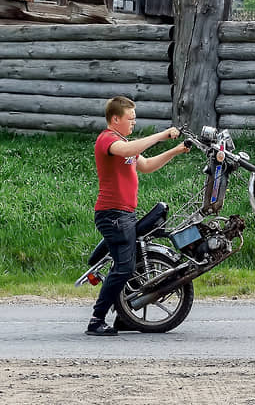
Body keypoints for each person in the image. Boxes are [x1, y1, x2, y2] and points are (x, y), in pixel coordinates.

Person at [86, 96, 189, 336]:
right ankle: (96, 319)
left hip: (125, 214)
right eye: (130, 118)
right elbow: (129, 150)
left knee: (131, 266)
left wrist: (176, 150)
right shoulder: (108, 140)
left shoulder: (124, 142)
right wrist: (161, 135)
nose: (134, 122)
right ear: (115, 119)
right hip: (112, 215)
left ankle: (126, 316)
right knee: (123, 267)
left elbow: (146, 165)